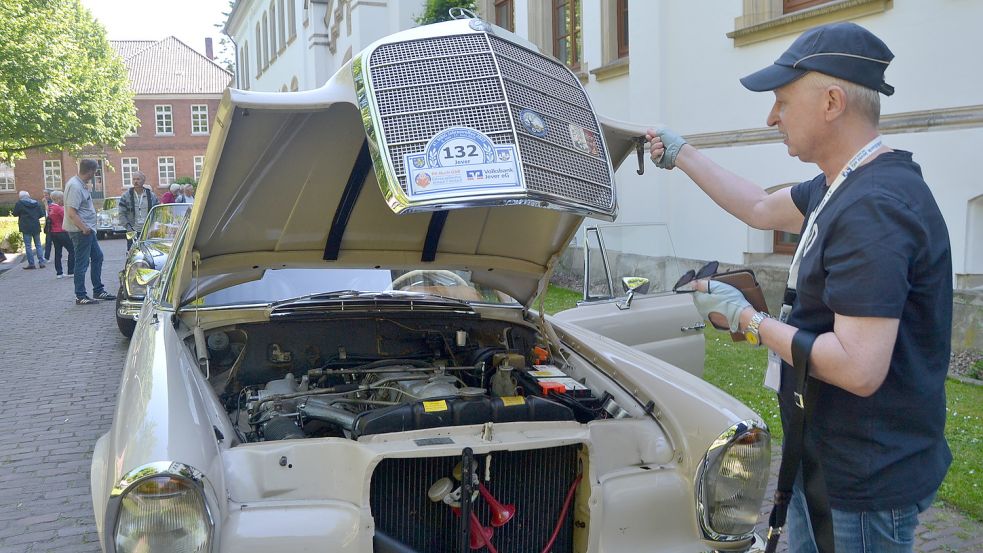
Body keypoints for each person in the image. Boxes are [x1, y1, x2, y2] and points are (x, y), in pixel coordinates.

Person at [647, 22, 951, 552]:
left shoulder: (874, 207)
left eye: (783, 102)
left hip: (864, 477)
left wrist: (748, 320)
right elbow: (761, 208)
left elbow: (858, 367)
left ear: (832, 101)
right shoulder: (843, 184)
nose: (771, 117)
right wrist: (683, 154)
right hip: (829, 456)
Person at [63, 159, 115, 305]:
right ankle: (80, 295)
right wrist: (84, 228)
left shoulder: (79, 183)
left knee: (97, 257)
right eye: (96, 171)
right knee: (82, 262)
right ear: (91, 171)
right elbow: (71, 212)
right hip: (81, 231)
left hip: (87, 230)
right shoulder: (75, 186)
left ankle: (98, 290)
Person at [119, 171, 159, 249]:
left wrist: (154, 226)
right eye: (134, 179)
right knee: (131, 251)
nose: (136, 181)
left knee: (149, 251)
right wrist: (128, 227)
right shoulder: (126, 196)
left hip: (148, 230)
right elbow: (121, 213)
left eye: (138, 179)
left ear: (143, 181)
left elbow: (157, 212)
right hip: (131, 230)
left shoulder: (151, 195)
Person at [12, 190, 46, 269]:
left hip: (25, 226)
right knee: (38, 245)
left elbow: (15, 214)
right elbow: (41, 214)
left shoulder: (19, 203)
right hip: (35, 225)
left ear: (20, 197)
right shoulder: (36, 203)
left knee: (28, 246)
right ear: (28, 196)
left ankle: (31, 264)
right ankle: (41, 262)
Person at [46, 190, 74, 279]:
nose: (64, 200)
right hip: (62, 232)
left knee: (58, 253)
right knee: (72, 250)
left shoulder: (50, 207)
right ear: (58, 199)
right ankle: (71, 271)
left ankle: (59, 273)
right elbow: (67, 218)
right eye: (62, 198)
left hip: (53, 233)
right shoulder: (59, 208)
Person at [42, 188, 54, 261]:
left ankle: (72, 254)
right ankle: (46, 257)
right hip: (49, 225)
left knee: (61, 242)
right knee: (48, 241)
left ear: (50, 195)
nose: (44, 196)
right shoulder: (47, 201)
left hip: (53, 224)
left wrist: (45, 204)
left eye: (46, 195)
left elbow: (48, 213)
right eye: (44, 194)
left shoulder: (52, 202)